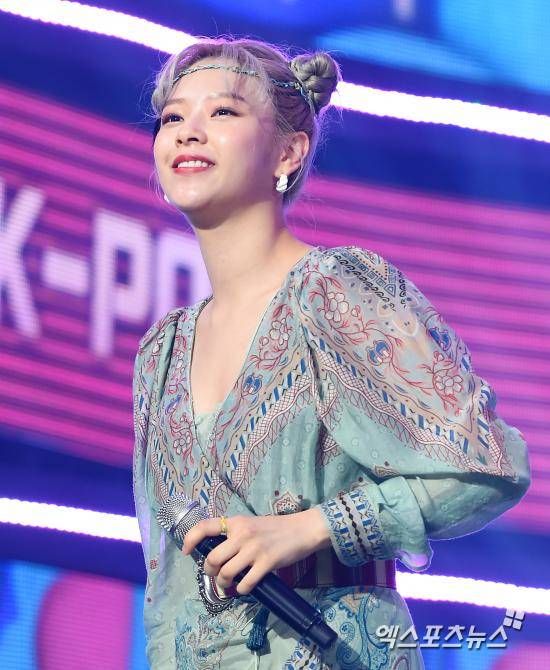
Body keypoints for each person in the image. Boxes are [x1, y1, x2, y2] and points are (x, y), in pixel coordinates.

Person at [132, 36, 531, 670]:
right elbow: (168, 588)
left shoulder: (333, 291)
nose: (187, 132)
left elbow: (487, 466)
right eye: (172, 117)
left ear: (288, 151)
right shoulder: (161, 354)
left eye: (223, 111)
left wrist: (312, 527)